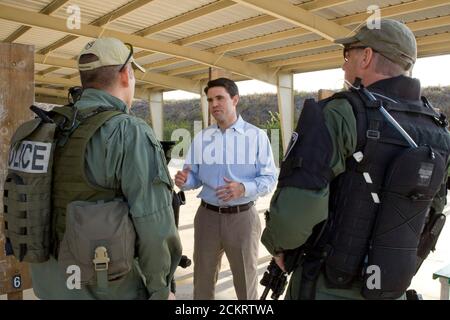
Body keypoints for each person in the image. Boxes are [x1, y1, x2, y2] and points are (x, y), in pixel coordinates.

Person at [261, 19, 450, 300]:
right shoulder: (439, 130)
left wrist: (279, 246)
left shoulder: (340, 113)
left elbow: (296, 213)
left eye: (347, 55)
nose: (343, 65)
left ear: (366, 56)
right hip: (390, 287)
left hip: (326, 285)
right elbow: (432, 211)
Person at [29, 37, 182, 299]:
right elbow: (154, 225)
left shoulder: (45, 127)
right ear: (126, 74)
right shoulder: (128, 131)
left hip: (49, 285)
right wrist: (161, 288)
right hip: (106, 289)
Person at [174, 77, 277, 300]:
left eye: (220, 98)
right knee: (202, 281)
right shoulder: (202, 138)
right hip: (207, 218)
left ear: (235, 99)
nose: (214, 105)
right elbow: (194, 177)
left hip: (242, 219)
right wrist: (185, 180)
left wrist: (243, 188)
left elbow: (269, 178)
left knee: (245, 283)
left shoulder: (256, 137)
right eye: (210, 100)